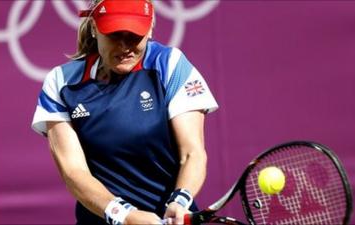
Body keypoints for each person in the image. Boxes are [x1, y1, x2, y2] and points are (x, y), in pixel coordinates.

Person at [31, 0, 218, 224]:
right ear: (94, 28)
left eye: (134, 35)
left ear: (150, 29)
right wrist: (125, 215)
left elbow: (192, 153)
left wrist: (179, 201)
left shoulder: (169, 65)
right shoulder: (61, 82)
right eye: (114, 34)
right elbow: (73, 171)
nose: (124, 46)